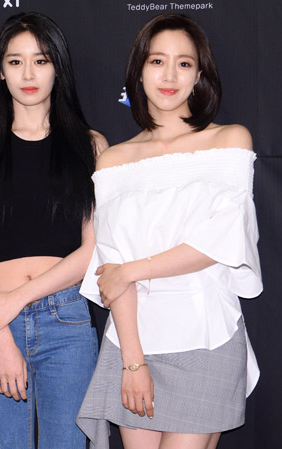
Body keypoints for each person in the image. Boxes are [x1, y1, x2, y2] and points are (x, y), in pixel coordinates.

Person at [76, 13, 263, 449]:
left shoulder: (230, 141)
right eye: (158, 61)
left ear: (199, 75)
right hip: (132, 341)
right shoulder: (114, 160)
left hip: (207, 337)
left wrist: (132, 270)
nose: (170, 75)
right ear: (139, 72)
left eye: (184, 63)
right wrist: (132, 362)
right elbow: (111, 268)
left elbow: (221, 240)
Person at [0, 12, 108, 449]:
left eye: (40, 61)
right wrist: (1, 334)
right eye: (15, 61)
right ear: (0, 73)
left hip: (67, 320)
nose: (28, 74)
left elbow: (92, 250)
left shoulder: (91, 145)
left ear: (57, 68)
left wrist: (17, 299)